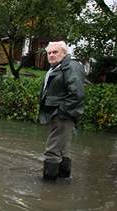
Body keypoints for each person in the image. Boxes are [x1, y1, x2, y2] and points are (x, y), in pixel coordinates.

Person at [39, 41, 85, 180]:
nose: (51, 55)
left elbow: (77, 94)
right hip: (57, 114)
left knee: (52, 150)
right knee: (64, 148)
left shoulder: (70, 67)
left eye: (55, 52)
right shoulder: (56, 67)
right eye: (49, 53)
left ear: (64, 53)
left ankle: (47, 186)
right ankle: (64, 179)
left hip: (62, 115)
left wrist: (62, 112)